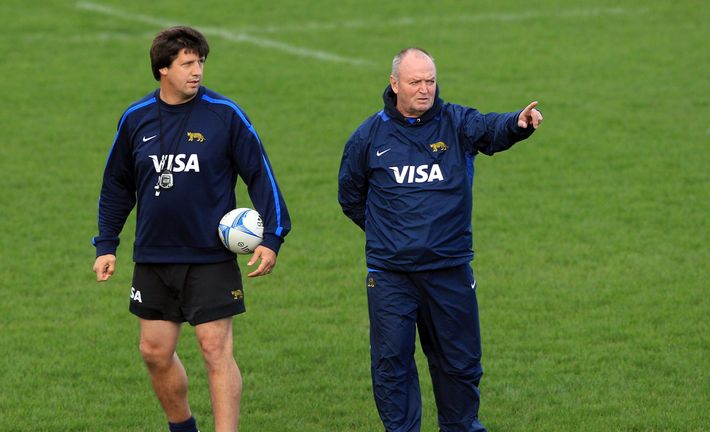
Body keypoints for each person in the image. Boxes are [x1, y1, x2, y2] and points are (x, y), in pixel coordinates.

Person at [92, 26, 291, 432]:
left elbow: (260, 175)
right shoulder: (136, 119)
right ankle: (183, 427)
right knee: (154, 352)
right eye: (187, 63)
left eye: (200, 61)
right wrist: (106, 244)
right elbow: (116, 184)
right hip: (154, 254)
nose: (197, 70)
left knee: (214, 348)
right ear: (162, 69)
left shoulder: (225, 114)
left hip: (209, 257)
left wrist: (272, 237)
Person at [338, 47, 542, 432]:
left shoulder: (457, 123)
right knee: (391, 365)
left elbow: (490, 129)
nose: (424, 89)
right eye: (415, 82)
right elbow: (350, 196)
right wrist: (388, 231)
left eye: (430, 81)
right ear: (394, 83)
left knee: (459, 363)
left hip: (449, 271)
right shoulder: (367, 137)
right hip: (391, 276)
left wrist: (517, 123)